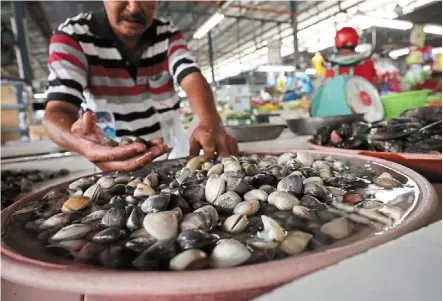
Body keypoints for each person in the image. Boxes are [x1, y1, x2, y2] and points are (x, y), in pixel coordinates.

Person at [42, 1, 238, 172]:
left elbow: (190, 75)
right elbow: (58, 109)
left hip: (171, 152)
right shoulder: (73, 36)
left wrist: (209, 119)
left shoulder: (167, 34)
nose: (134, 7)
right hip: (112, 156)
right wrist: (83, 145)